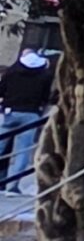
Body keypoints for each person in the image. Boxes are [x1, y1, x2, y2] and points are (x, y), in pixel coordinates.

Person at [0, 33, 52, 199]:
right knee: (23, 151)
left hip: (10, 112)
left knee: (1, 146)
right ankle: (12, 185)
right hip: (31, 114)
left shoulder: (12, 72)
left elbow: (2, 90)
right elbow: (46, 97)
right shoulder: (44, 74)